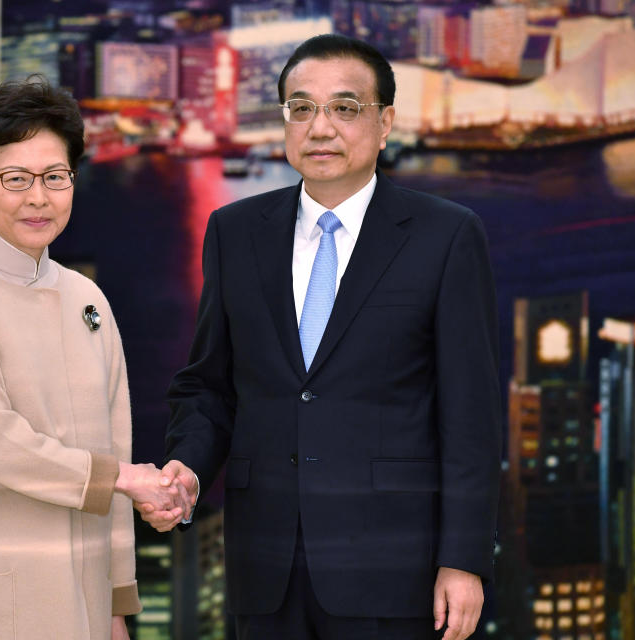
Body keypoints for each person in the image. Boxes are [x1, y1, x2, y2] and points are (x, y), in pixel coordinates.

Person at [138, 35, 502, 640]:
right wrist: (188, 469)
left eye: (344, 107)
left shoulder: (446, 235)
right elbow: (209, 386)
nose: (320, 127)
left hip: (395, 566)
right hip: (265, 564)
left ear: (385, 121)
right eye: (301, 108)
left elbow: (471, 414)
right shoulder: (235, 232)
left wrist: (463, 558)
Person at [0, 77, 190, 640]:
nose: (38, 197)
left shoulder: (87, 299)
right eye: (15, 179)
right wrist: (127, 479)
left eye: (55, 177)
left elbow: (113, 446)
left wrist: (117, 602)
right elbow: (1, 444)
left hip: (83, 594)